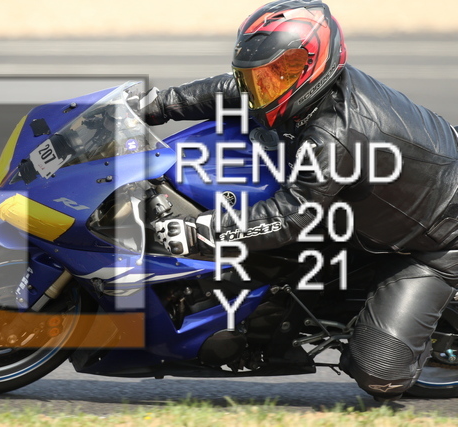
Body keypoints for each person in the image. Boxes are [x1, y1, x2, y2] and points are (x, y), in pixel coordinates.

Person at [144, 0, 458, 400]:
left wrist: (199, 232)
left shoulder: (336, 133)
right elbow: (231, 90)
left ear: (315, 63)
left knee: (380, 374)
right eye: (258, 75)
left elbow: (293, 215)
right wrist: (155, 104)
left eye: (282, 72)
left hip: (436, 240)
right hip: (378, 203)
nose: (264, 87)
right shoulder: (308, 90)